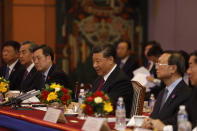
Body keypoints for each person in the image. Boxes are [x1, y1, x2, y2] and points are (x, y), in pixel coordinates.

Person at [142, 51, 197, 130]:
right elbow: (154, 117)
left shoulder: (186, 93)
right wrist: (148, 121)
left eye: (160, 64)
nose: (156, 67)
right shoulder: (162, 92)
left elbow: (178, 121)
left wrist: (154, 123)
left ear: (173, 68)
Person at [91, 44, 133, 118]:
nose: (94, 65)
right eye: (93, 62)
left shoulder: (121, 81)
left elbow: (109, 106)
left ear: (110, 60)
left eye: (98, 61)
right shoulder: (100, 78)